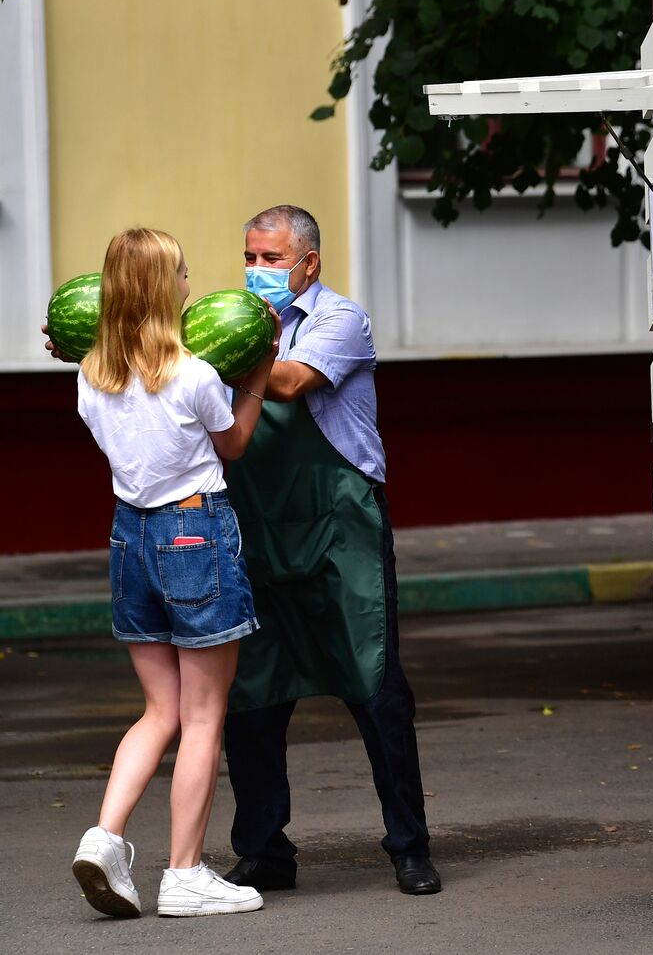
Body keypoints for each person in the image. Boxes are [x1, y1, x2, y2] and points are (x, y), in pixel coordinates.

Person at [219, 205, 440, 896]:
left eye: (272, 260)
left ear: (308, 263)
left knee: (378, 689)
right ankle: (263, 850)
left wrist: (213, 344)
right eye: (250, 258)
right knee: (250, 695)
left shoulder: (341, 321)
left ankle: (410, 846)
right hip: (256, 523)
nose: (258, 273)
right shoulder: (227, 323)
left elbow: (285, 383)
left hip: (340, 526)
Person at [66, 227, 278, 918]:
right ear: (162, 290)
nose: (191, 283)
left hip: (130, 537)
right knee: (202, 714)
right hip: (194, 533)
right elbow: (237, 444)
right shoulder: (194, 374)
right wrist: (257, 373)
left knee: (158, 711)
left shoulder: (88, 376)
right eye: (181, 274)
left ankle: (105, 837)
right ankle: (184, 874)